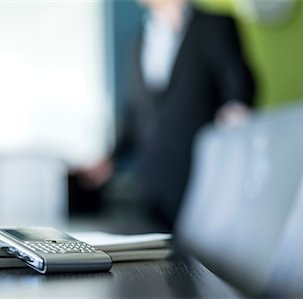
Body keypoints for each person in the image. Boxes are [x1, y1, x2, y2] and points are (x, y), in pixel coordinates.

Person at [72, 0, 255, 231]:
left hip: (201, 171)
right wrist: (111, 159)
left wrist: (235, 111)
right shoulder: (138, 41)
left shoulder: (214, 25)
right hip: (151, 179)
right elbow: (135, 112)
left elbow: (238, 82)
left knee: (198, 259)